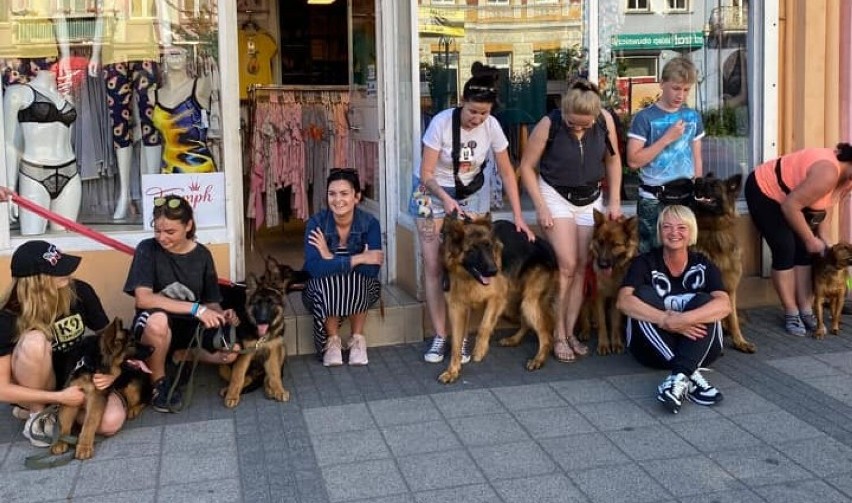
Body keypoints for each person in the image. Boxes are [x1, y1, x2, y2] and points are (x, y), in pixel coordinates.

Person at [413, 62, 534, 364]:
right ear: (462, 103)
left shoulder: (491, 126)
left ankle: (462, 338)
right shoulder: (440, 124)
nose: (477, 119)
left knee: (473, 264)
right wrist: (445, 198)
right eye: (472, 112)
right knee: (434, 265)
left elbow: (507, 171)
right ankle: (441, 335)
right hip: (431, 192)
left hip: (470, 193)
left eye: (484, 113)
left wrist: (518, 214)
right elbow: (425, 172)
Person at [517, 79, 623, 362]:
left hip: (590, 197)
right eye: (572, 123)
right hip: (555, 195)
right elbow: (526, 167)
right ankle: (559, 335)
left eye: (584, 125)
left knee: (581, 267)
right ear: (563, 111)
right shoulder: (548, 124)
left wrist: (613, 201)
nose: (578, 129)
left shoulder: (605, 121)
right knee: (566, 265)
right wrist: (540, 207)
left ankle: (570, 330)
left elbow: (613, 161)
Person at [0, 238, 126, 446]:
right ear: (37, 280)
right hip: (38, 380)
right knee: (35, 341)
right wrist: (61, 397)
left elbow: (109, 340)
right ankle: (38, 414)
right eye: (58, 269)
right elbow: (2, 388)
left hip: (76, 378)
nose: (68, 271)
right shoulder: (8, 316)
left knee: (110, 422)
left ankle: (56, 410)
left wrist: (114, 372)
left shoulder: (80, 291)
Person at [123, 194, 239, 412]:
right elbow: (144, 298)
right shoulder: (147, 249)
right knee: (157, 321)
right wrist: (196, 308)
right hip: (154, 324)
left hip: (190, 326)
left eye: (170, 232)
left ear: (188, 225)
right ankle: (159, 383)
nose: (162, 237)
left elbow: (211, 302)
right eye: (157, 230)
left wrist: (222, 315)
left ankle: (182, 355)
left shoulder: (202, 254)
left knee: (231, 352)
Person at [616, 205, 730, 414]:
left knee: (707, 301)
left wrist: (684, 320)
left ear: (691, 232)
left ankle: (679, 376)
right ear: (659, 231)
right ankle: (689, 374)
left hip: (701, 347)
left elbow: (724, 304)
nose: (673, 232)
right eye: (667, 227)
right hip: (651, 350)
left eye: (681, 227)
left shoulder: (703, 264)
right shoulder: (644, 262)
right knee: (642, 296)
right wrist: (665, 320)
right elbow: (623, 302)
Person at [744, 143, 852, 336]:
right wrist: (811, 239)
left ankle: (806, 309)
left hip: (792, 197)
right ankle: (791, 312)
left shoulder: (847, 178)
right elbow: (790, 206)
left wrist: (824, 238)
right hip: (765, 190)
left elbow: (825, 205)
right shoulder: (827, 173)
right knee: (785, 248)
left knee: (804, 252)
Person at [302, 168, 383, 367]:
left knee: (355, 278)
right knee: (327, 280)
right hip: (318, 293)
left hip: (362, 290)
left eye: (344, 194)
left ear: (357, 197)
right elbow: (313, 268)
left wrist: (330, 257)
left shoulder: (370, 224)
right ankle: (332, 340)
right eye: (332, 194)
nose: (337, 200)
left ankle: (357, 338)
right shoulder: (316, 223)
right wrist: (357, 259)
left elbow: (371, 272)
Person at [627, 56, 704, 254]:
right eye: (676, 88)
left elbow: (697, 157)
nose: (681, 95)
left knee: (686, 252)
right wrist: (666, 139)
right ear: (662, 84)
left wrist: (699, 187)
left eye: (686, 90)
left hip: (685, 195)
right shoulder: (644, 118)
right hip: (654, 197)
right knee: (651, 254)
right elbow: (633, 161)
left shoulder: (692, 117)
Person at [3, 69, 82, 235]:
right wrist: (10, 187)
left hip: (70, 172)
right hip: (34, 173)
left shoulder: (66, 95)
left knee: (65, 242)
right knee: (33, 240)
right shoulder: (18, 92)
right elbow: (10, 143)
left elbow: (68, 137)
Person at [149, 46, 217, 174]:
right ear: (163, 58)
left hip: (201, 175)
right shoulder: (153, 96)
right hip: (168, 174)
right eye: (170, 50)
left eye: (180, 48)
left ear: (188, 57)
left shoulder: (200, 86)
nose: (175, 52)